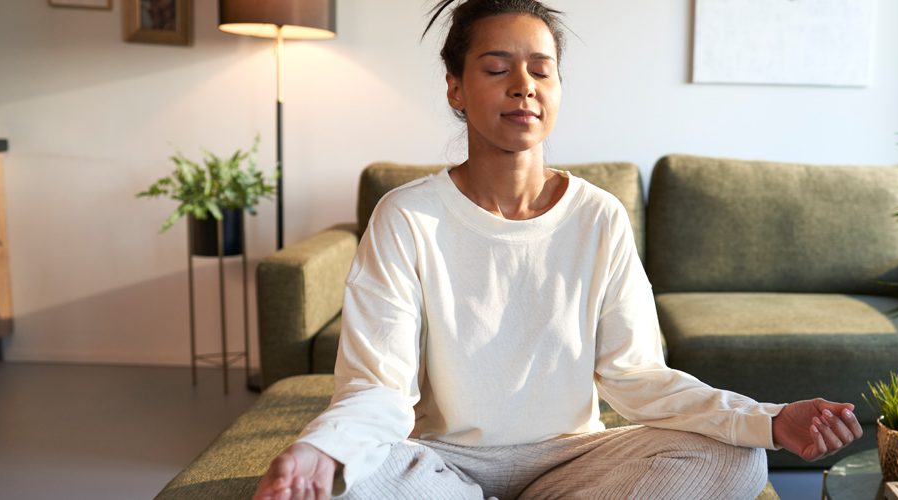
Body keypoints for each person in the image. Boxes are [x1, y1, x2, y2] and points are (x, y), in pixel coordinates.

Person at [253, 1, 863, 499]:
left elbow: (638, 378)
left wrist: (768, 419)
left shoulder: (598, 215)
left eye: (541, 70)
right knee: (346, 478)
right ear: (455, 89)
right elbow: (377, 388)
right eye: (496, 69)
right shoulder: (407, 216)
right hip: (438, 465)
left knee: (739, 465)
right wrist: (320, 448)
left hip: (573, 462)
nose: (523, 86)